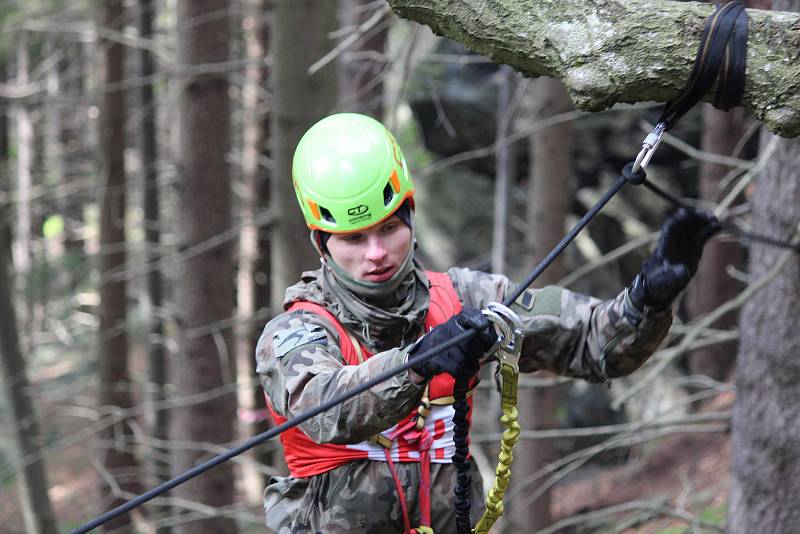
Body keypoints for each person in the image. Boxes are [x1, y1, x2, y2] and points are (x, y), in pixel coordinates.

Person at [255, 113, 720, 534]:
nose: (376, 253)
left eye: (389, 229)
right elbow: (322, 409)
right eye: (354, 239)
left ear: (411, 216)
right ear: (321, 243)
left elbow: (590, 343)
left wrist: (648, 298)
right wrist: (418, 362)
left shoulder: (464, 299)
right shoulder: (295, 334)